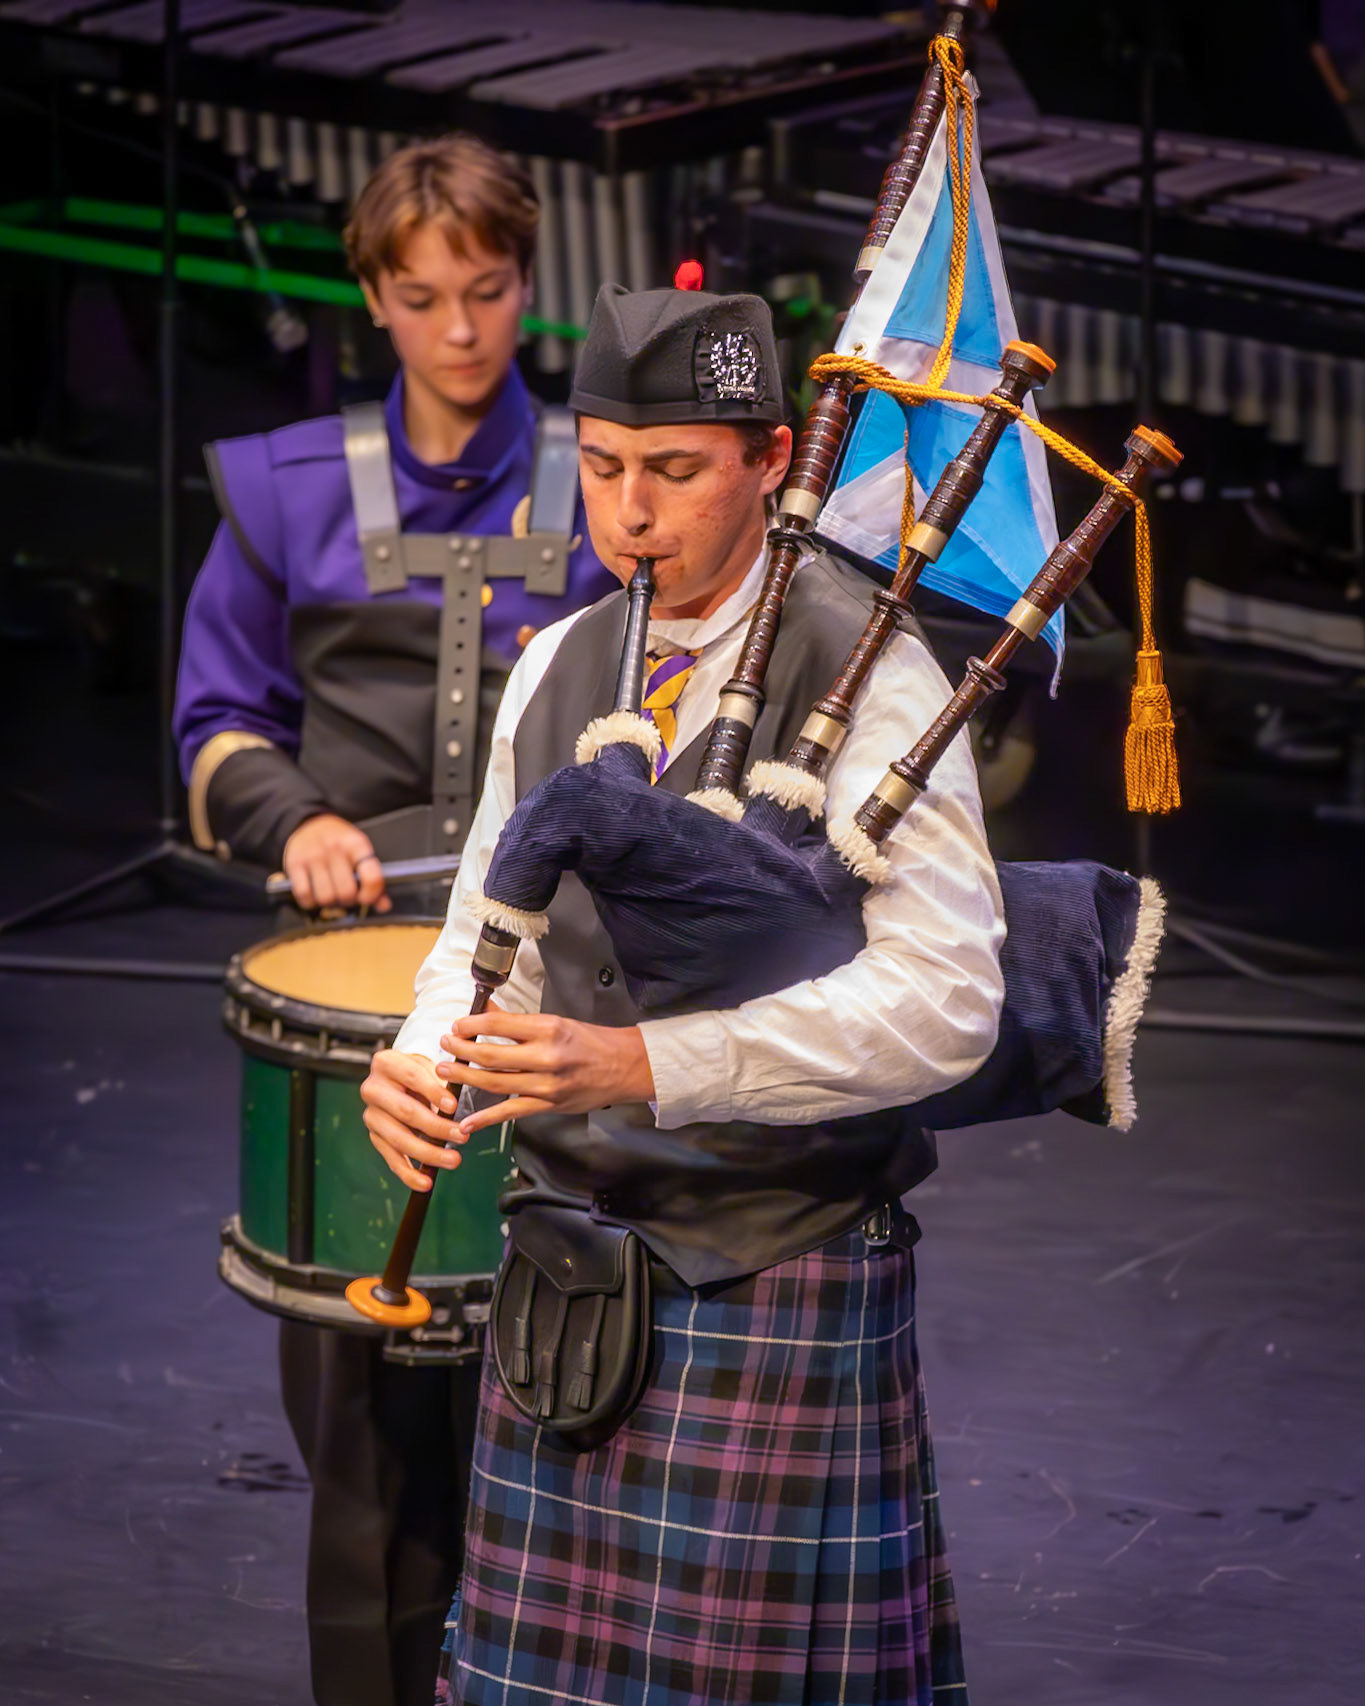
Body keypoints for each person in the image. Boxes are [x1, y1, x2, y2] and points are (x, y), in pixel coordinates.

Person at [361, 278, 1005, 1705]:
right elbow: (485, 931)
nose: (629, 513)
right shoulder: (559, 666)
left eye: (673, 472)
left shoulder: (870, 667)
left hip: (767, 1254)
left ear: (772, 460)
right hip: (566, 1268)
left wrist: (647, 1064)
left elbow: (949, 999)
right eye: (599, 467)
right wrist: (418, 1056)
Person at [173, 136, 616, 1706]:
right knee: (364, 1458)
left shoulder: (608, 478)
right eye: (422, 298)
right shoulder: (283, 484)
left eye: (487, 293)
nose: (459, 330)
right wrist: (299, 824)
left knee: (571, 1429)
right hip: (370, 1005)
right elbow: (215, 718)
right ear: (373, 297)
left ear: (523, 286)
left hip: (555, 1005)